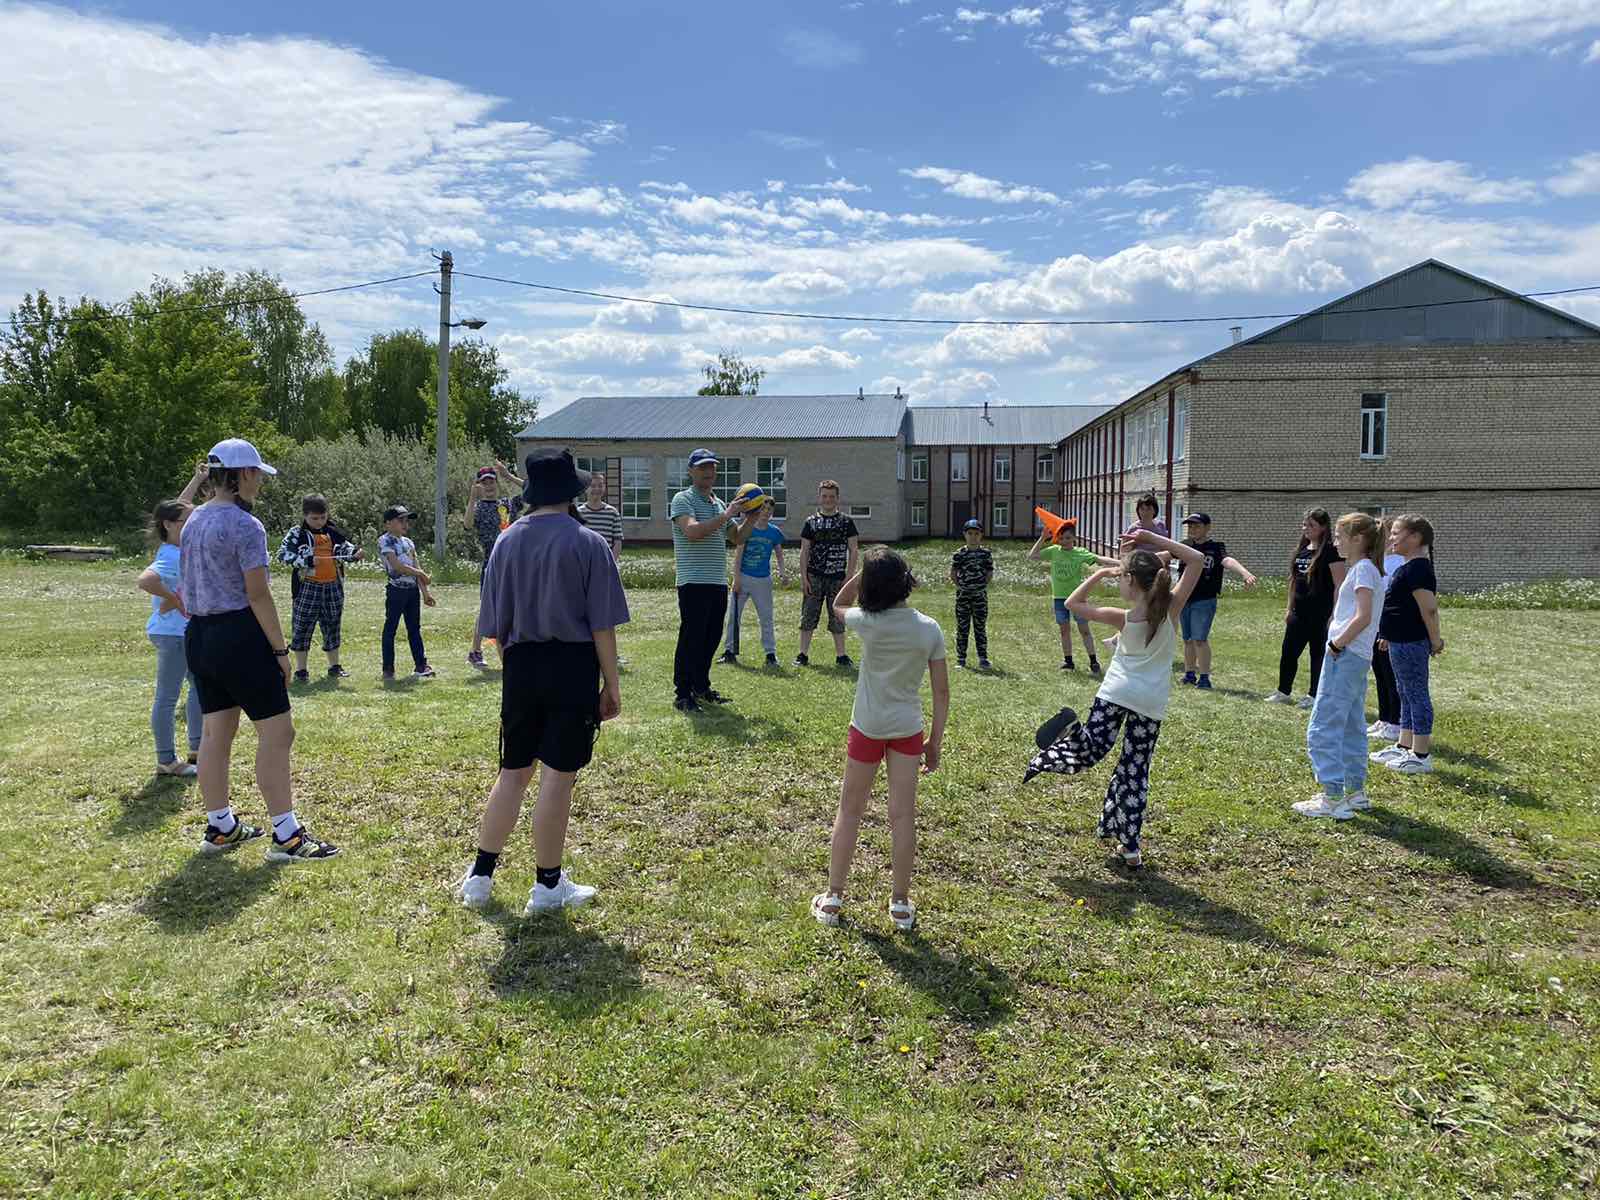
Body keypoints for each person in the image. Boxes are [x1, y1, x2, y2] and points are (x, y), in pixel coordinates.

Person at [456, 449, 629, 913]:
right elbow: (602, 626)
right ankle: (548, 885)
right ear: (570, 490)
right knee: (558, 775)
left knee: (512, 772)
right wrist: (611, 685)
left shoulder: (506, 542)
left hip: (520, 666)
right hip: (571, 666)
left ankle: (480, 877)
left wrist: (513, 672)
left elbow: (494, 625)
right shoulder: (587, 542)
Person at [181, 438, 338, 860]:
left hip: (199, 636)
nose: (260, 484)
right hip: (239, 636)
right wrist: (281, 650)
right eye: (256, 475)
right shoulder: (245, 526)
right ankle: (287, 836)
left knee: (216, 733)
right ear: (242, 474)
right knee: (277, 731)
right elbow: (258, 594)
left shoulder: (193, 520)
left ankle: (220, 826)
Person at [1023, 529, 1205, 869]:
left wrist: (1097, 574)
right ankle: (1130, 847)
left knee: (1090, 749)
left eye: (1120, 578)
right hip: (1150, 704)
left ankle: (1073, 731)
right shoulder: (1171, 609)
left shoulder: (1123, 616)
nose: (1117, 583)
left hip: (1115, 694)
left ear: (1132, 581)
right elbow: (1196, 559)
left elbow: (1071, 604)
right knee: (1134, 772)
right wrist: (1152, 537)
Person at [811, 547, 949, 932]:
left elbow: (837, 604)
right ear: (906, 582)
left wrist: (862, 574)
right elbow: (941, 693)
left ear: (871, 587)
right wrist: (934, 742)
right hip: (908, 730)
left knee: (850, 811)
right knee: (903, 817)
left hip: (867, 727)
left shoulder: (866, 620)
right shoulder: (928, 628)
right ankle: (901, 905)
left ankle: (834, 897)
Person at [1294, 514, 1384, 819]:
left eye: (1339, 536)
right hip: (1356, 659)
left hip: (1344, 657)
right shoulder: (1367, 570)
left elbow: (1363, 615)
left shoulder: (1362, 570)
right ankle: (1355, 792)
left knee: (1324, 725)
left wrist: (1336, 643)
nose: (1335, 542)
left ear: (1358, 539)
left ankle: (1332, 797)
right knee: (1350, 725)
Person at [136, 460, 210, 777]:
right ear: (169, 524)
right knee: (167, 698)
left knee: (198, 687)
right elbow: (145, 580)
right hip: (172, 634)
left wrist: (197, 479)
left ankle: (196, 749)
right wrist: (174, 598)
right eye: (186, 519)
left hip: (183, 631)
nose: (192, 521)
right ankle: (167, 760)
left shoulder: (179, 542)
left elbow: (181, 507)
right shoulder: (170, 555)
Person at [670, 448, 744, 712]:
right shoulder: (682, 499)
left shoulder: (718, 502)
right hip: (693, 581)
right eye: (702, 468)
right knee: (692, 637)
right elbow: (691, 531)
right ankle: (682, 693)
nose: (709, 472)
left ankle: (700, 687)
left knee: (711, 637)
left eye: (712, 467)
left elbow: (736, 538)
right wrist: (727, 515)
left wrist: (752, 516)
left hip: (715, 581)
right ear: (691, 471)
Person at [1371, 515, 1443, 776]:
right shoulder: (1406, 566)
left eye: (1396, 533)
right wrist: (1388, 634)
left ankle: (1421, 755)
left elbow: (1429, 609)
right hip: (1398, 641)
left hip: (1412, 643)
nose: (1390, 538)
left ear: (1415, 537)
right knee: (1404, 692)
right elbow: (1399, 607)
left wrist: (1435, 641)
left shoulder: (1419, 569)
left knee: (1416, 694)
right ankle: (1404, 745)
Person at [276, 493, 362, 683]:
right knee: (302, 626)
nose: (319, 522)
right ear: (305, 515)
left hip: (333, 586)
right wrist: (305, 560)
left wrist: (355, 554)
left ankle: (334, 666)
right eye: (314, 518)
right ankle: (301, 670)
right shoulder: (297, 533)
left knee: (332, 625)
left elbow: (344, 550)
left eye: (323, 517)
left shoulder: (332, 532)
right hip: (307, 587)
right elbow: (282, 555)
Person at [1265, 508, 1346, 709]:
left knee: (1317, 655)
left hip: (1321, 614)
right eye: (1304, 524)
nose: (1306, 529)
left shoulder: (1330, 552)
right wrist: (1288, 608)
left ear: (1323, 528)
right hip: (1298, 614)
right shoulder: (1301, 550)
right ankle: (1283, 691)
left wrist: (1335, 614)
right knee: (1288, 653)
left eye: (1311, 525)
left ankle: (1313, 695)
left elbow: (1339, 584)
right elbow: (1293, 581)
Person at [1175, 513, 1258, 689]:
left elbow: (1227, 560)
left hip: (1204, 600)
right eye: (1190, 526)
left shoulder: (1215, 547)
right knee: (1188, 639)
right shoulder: (1184, 546)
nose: (1192, 529)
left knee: (1200, 639)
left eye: (1197, 526)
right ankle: (1189, 674)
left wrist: (1244, 573)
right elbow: (1165, 554)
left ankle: (1204, 678)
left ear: (1207, 527)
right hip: (1184, 598)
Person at [1030, 517, 1119, 674]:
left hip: (1078, 599)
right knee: (1064, 630)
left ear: (1074, 538)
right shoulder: (1054, 551)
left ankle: (1093, 661)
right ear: (1058, 538)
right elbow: (1032, 556)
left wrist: (1119, 563)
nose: (1065, 541)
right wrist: (1043, 538)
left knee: (1084, 630)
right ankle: (1068, 661)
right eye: (1062, 538)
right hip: (1059, 599)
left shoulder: (1080, 553)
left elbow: (1099, 559)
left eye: (1068, 538)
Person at [467, 461, 525, 669]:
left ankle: (513, 647)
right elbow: (467, 524)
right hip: (491, 563)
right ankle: (475, 651)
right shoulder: (479, 507)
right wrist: (473, 498)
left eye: (492, 481)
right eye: (484, 482)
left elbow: (530, 490)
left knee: (514, 605)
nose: (489, 485)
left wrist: (509, 476)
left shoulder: (507, 504)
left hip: (512, 562)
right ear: (479, 485)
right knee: (487, 606)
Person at [796, 480, 859, 668]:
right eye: (824, 496)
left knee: (838, 616)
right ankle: (802, 655)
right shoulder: (810, 522)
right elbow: (804, 551)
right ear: (819, 498)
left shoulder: (847, 522)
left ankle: (841, 656)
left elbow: (854, 550)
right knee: (808, 615)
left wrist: (849, 578)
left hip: (838, 578)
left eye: (832, 496)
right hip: (814, 576)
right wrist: (804, 577)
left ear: (838, 498)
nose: (828, 500)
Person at [720, 497, 786, 667]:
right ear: (756, 511)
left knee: (766, 617)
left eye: (769, 511)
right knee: (734, 616)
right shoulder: (747, 529)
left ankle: (770, 654)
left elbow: (779, 554)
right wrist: (736, 578)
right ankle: (729, 651)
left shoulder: (774, 532)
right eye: (763, 510)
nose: (766, 514)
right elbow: (738, 554)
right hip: (744, 577)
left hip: (763, 580)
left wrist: (782, 572)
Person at [378, 505, 437, 681]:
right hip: (396, 591)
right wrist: (420, 574)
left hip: (412, 592)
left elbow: (416, 566)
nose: (405, 524)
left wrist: (425, 593)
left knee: (414, 629)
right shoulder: (385, 540)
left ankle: (421, 665)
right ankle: (388, 668)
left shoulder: (409, 542)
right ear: (388, 523)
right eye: (400, 520)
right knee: (391, 629)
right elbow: (397, 566)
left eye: (406, 520)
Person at [576, 471, 627, 667]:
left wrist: (609, 564)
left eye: (600, 485)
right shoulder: (579, 513)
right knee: (584, 613)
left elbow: (617, 541)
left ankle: (611, 654)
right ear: (586, 488)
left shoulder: (612, 513)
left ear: (604, 488)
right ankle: (588, 651)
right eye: (593, 485)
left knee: (606, 615)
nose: (596, 489)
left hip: (605, 571)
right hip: (583, 571)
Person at [1367, 517, 1404, 742]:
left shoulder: (1398, 563)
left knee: (1390, 674)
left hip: (1388, 625)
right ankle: (1384, 717)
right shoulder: (1377, 562)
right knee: (1379, 672)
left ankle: (1396, 722)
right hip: (1374, 623)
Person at [948, 518, 994, 670]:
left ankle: (983, 658)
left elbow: (989, 573)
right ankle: (961, 659)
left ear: (981, 535)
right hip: (963, 597)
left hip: (980, 596)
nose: (973, 536)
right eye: (970, 533)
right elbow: (953, 574)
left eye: (976, 533)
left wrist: (980, 587)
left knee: (980, 627)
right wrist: (962, 587)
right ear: (964, 535)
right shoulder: (959, 554)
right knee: (963, 627)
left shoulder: (985, 554)